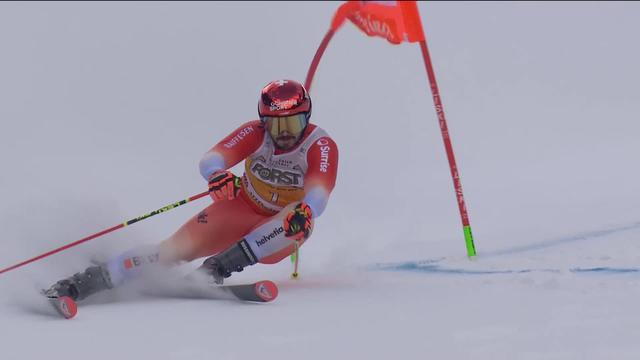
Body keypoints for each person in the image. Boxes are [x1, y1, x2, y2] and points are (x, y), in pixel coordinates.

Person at [44, 79, 339, 302]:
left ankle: (214, 269)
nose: (285, 133)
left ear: (307, 117)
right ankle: (80, 283)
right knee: (170, 251)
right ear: (264, 122)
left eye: (293, 122)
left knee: (297, 219)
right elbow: (212, 159)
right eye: (276, 125)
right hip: (241, 208)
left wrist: (308, 209)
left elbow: (318, 194)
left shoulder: (320, 146)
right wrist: (217, 175)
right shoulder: (255, 132)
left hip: (282, 226)